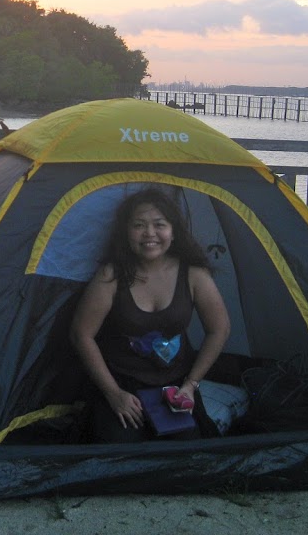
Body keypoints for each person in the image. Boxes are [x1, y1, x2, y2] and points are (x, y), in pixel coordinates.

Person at [70, 187, 231, 442]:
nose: (150, 234)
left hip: (175, 387)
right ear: (126, 232)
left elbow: (219, 329)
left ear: (173, 231)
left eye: (159, 225)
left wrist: (190, 385)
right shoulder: (110, 275)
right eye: (139, 225)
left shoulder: (194, 274)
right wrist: (113, 394)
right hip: (121, 383)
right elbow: (82, 335)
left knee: (186, 453)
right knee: (119, 452)